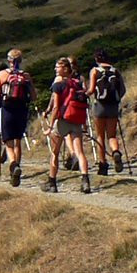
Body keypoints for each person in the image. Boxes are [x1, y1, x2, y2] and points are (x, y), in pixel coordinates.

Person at [44, 57, 91, 193]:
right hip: (76, 120)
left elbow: (56, 107)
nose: (55, 69)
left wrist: (50, 126)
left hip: (62, 122)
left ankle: (52, 182)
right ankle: (85, 181)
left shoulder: (58, 85)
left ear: (65, 69)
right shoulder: (77, 83)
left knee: (55, 153)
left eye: (57, 67)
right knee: (80, 152)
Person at [0, 48, 34, 188]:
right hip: (21, 110)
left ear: (9, 60)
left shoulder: (3, 74)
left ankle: (13, 165)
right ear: (20, 61)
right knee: (17, 141)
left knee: (8, 142)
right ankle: (17, 168)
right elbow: (34, 96)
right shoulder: (26, 76)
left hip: (7, 109)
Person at [85, 49, 127, 175]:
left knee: (100, 137)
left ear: (96, 59)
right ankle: (115, 152)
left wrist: (83, 94)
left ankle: (103, 165)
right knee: (112, 135)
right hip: (113, 106)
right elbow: (123, 90)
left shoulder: (95, 71)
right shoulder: (116, 71)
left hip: (100, 106)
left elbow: (92, 90)